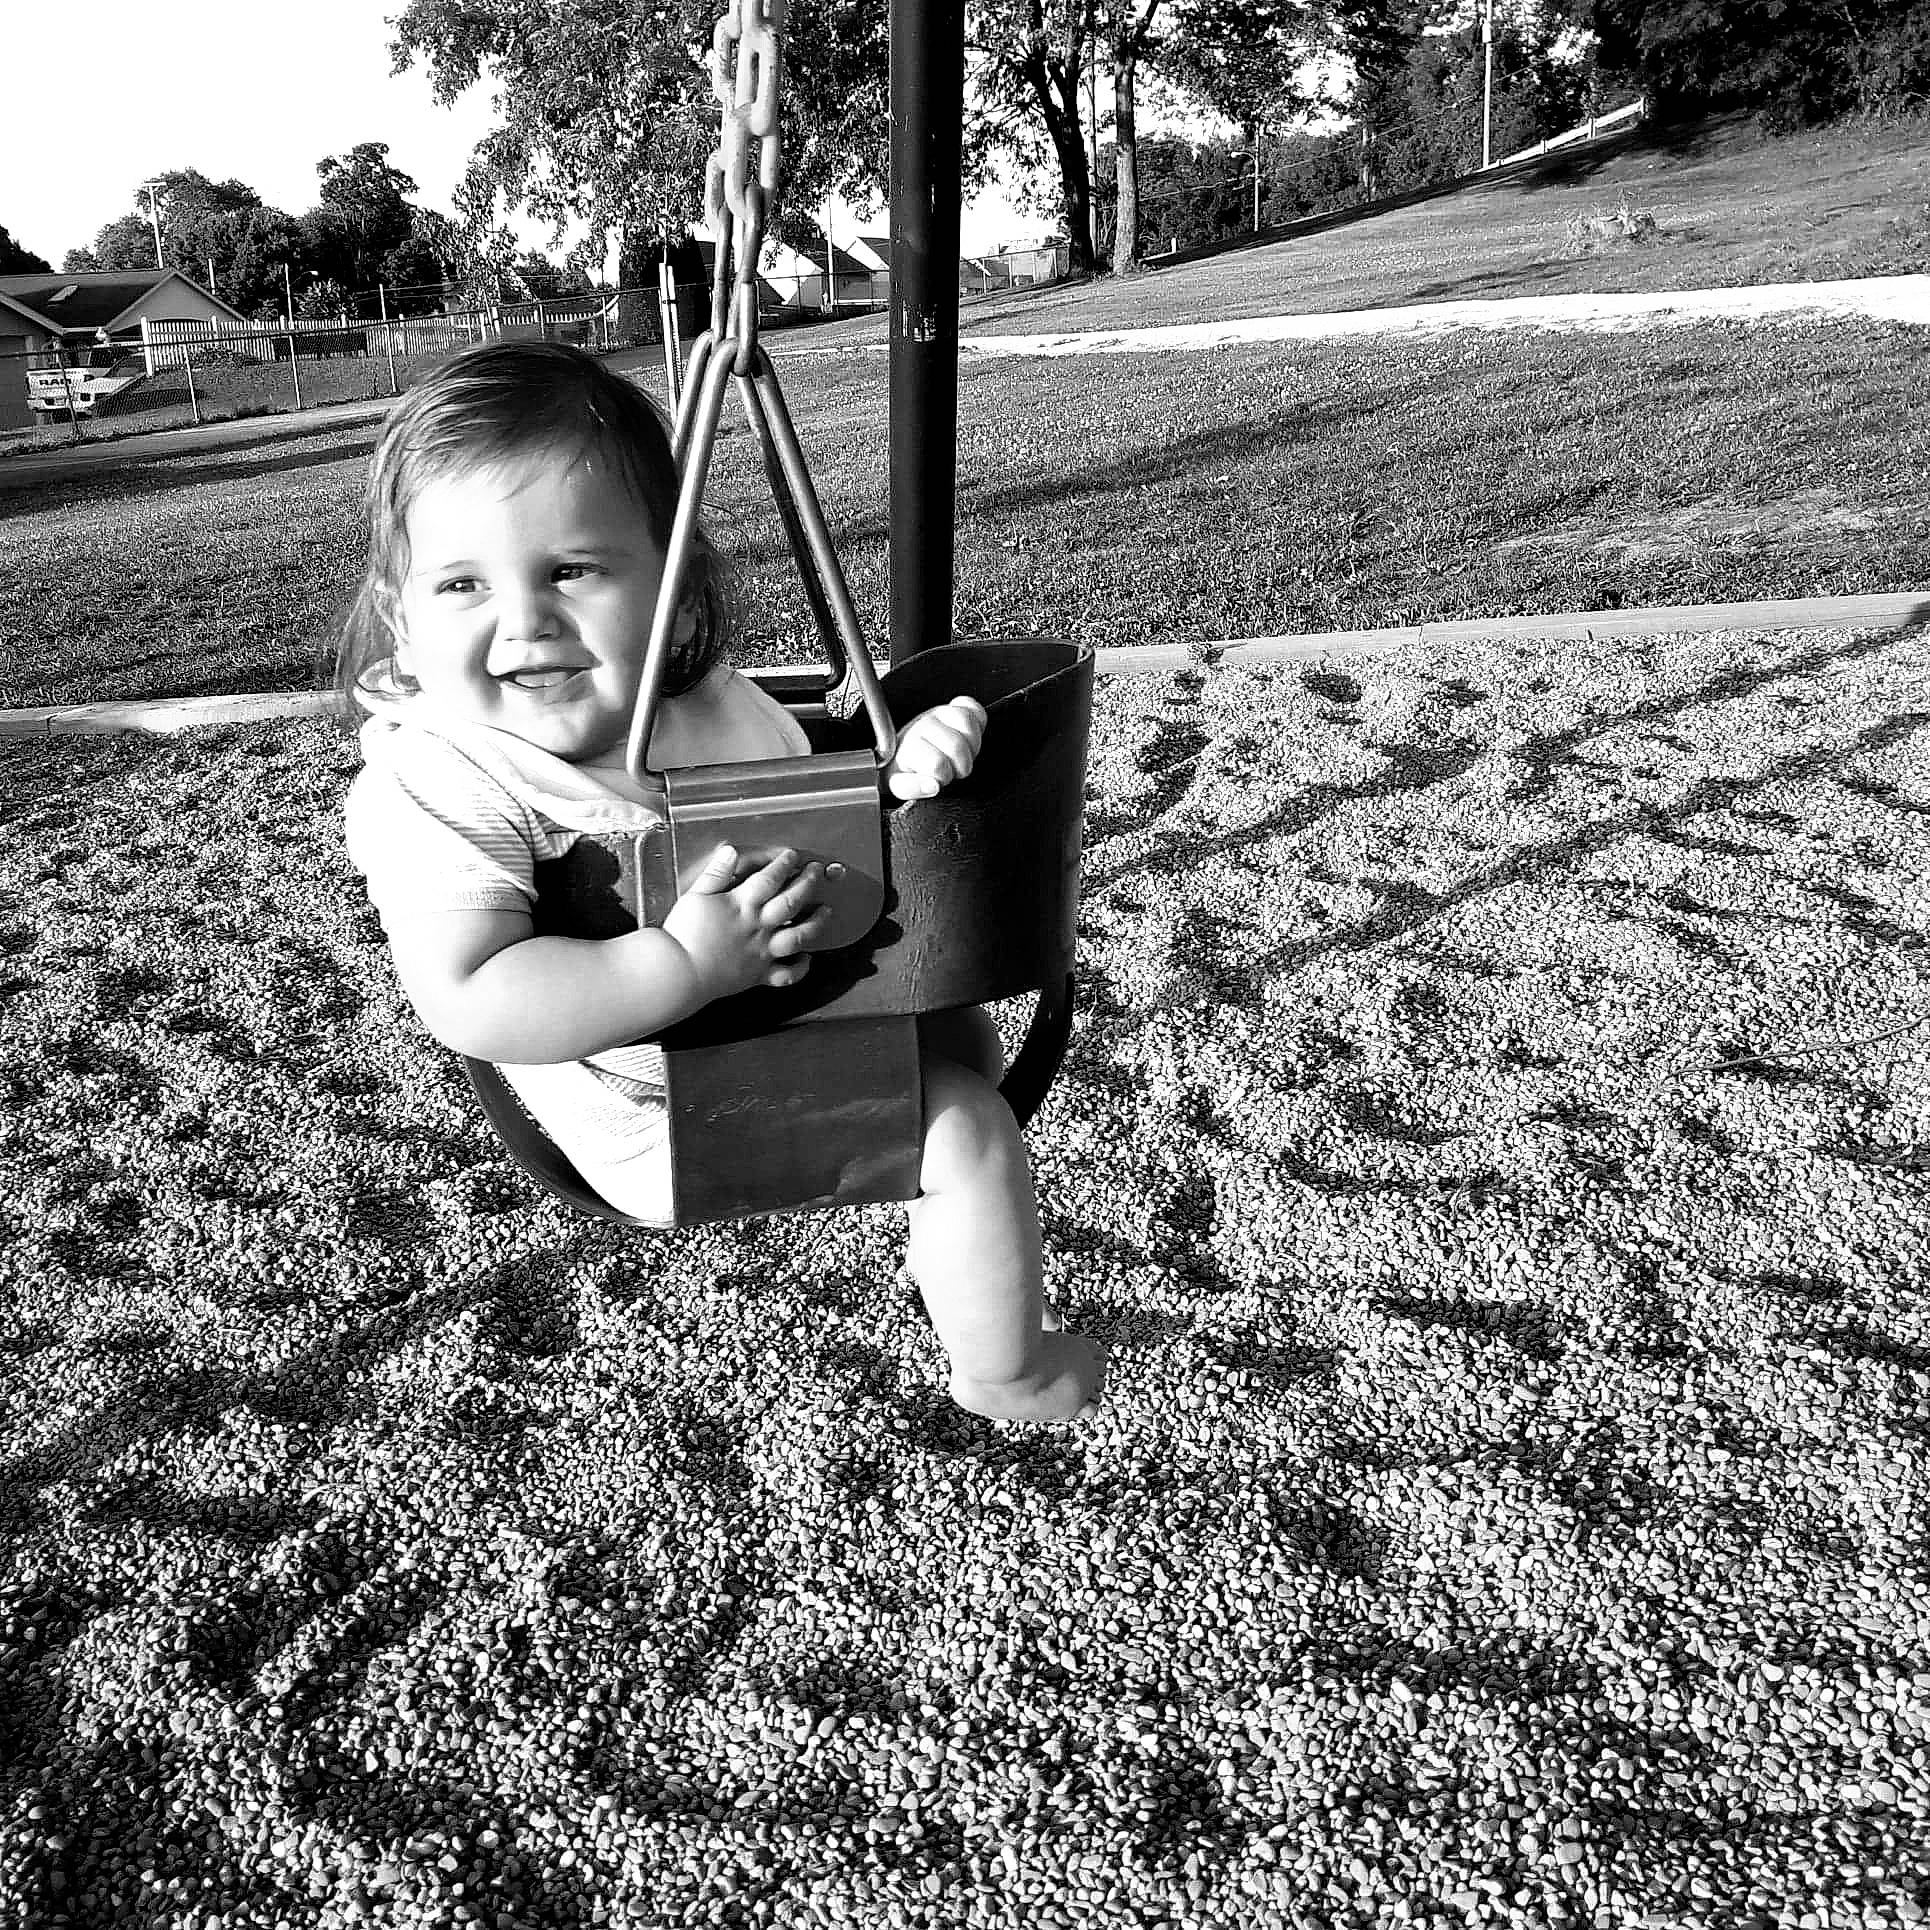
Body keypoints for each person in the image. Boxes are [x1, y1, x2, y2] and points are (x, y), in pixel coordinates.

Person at [337, 341, 1104, 1423]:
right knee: (971, 1130)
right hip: (667, 1105)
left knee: (961, 1033)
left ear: (674, 587)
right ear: (401, 614)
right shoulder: (444, 778)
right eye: (462, 584)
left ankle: (945, 1249)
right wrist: (683, 963)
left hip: (792, 1011)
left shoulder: (703, 704)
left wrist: (896, 771)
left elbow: (808, 815)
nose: (524, 621)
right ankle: (1005, 1371)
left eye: (572, 570)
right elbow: (471, 996)